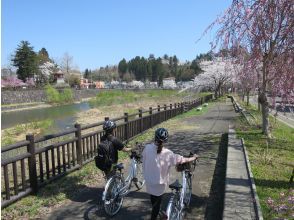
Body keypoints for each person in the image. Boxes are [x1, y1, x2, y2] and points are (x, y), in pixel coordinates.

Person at [142, 128, 198, 220]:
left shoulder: (147, 148)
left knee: (153, 200)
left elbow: (144, 161)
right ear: (166, 140)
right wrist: (193, 158)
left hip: (149, 181)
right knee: (156, 205)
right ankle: (156, 215)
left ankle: (159, 213)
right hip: (159, 184)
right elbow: (182, 159)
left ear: (155, 137)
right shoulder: (168, 154)